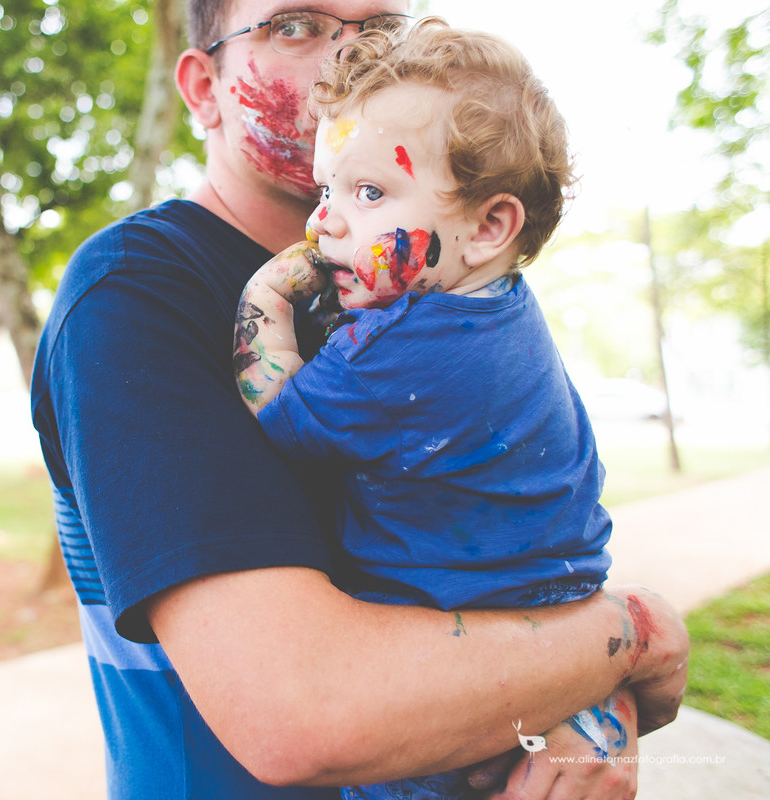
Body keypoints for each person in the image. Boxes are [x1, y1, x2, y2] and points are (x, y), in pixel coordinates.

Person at [30, 2, 689, 798]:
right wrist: (637, 637)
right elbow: (303, 712)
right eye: (297, 25)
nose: (353, 55)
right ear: (204, 88)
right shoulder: (134, 292)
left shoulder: (420, 291)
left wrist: (587, 703)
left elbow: (520, 558)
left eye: (380, 24)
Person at [233, 18, 636, 800]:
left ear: (490, 226)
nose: (324, 224)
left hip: (450, 689)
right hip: (557, 633)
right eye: (328, 189)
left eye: (371, 191)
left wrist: (266, 297)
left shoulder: (398, 349)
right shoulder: (504, 308)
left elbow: (277, 412)